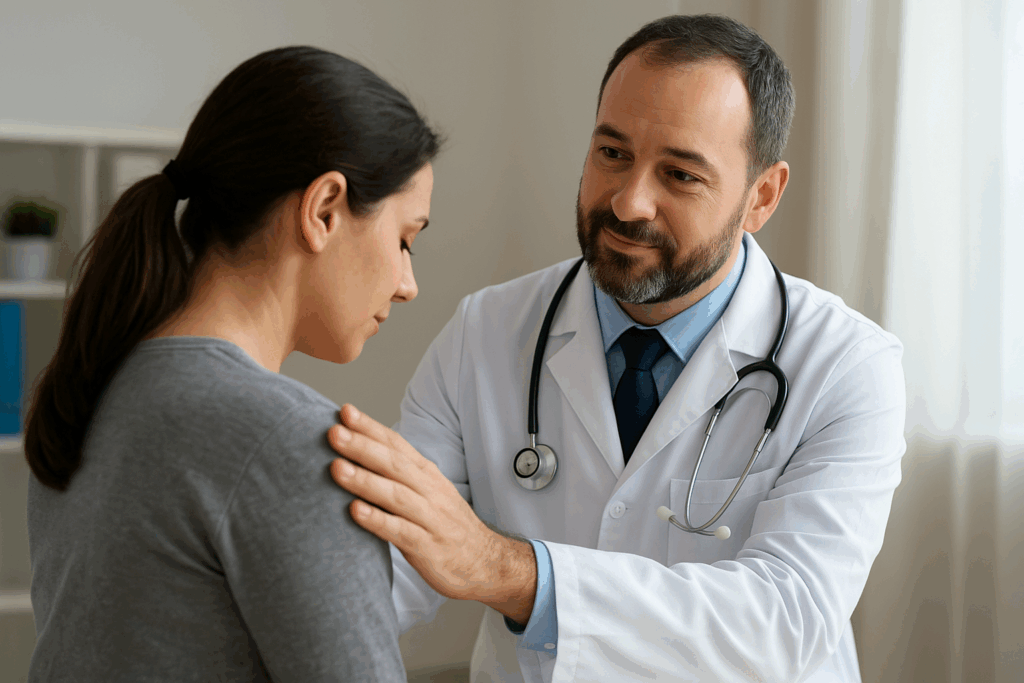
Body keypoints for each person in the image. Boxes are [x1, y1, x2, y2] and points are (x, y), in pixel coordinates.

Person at [324, 14, 906, 683]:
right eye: (612, 154)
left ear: (761, 197)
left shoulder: (847, 365)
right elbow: (392, 562)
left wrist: (512, 572)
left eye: (681, 175)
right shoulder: (487, 330)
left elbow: (783, 622)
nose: (630, 202)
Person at [23, 46, 439, 682]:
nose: (408, 283)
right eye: (405, 239)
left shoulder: (89, 391)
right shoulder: (295, 442)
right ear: (325, 209)